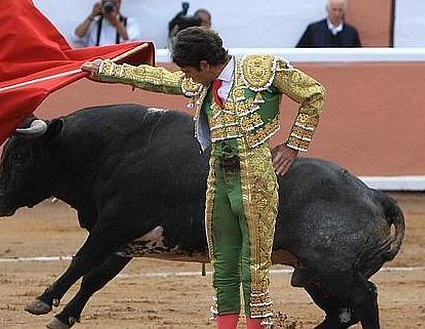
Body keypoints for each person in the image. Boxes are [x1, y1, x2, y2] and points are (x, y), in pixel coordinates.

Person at [82, 27, 325, 329]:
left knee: (254, 264)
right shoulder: (202, 83)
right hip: (218, 180)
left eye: (189, 70)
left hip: (256, 179)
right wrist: (105, 70)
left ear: (205, 65)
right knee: (222, 261)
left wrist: (293, 146)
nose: (187, 77)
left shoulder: (260, 69)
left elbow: (313, 93)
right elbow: (159, 79)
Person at [73, 0, 140, 48]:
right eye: (107, 2)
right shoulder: (94, 23)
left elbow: (131, 42)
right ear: (102, 3)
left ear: (120, 4)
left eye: (114, 3)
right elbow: (76, 37)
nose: (110, 6)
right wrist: (92, 15)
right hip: (97, 59)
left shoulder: (129, 22)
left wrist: (116, 21)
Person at [296, 0, 361, 47]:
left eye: (340, 10)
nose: (337, 13)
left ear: (344, 11)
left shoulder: (351, 32)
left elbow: (358, 56)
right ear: (327, 9)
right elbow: (299, 51)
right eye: (334, 9)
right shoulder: (313, 30)